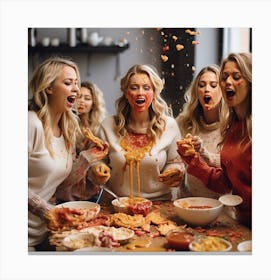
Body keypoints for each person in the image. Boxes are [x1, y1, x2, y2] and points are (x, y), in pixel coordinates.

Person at [28, 57, 108, 251]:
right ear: (48, 87)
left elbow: (62, 186)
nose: (76, 90)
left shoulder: (68, 128)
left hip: (46, 232)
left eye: (77, 83)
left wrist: (87, 160)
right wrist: (44, 209)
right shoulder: (30, 123)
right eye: (68, 83)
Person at [177, 53, 252, 228]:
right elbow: (225, 183)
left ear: (250, 81)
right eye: (224, 77)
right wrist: (194, 161)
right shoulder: (233, 127)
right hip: (240, 222)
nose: (227, 82)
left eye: (236, 77)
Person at [98, 64, 185, 201]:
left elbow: (175, 162)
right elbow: (98, 161)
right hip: (117, 203)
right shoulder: (108, 125)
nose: (140, 93)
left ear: (154, 92)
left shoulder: (169, 126)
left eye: (146, 88)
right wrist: (98, 168)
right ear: (126, 93)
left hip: (159, 203)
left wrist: (173, 172)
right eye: (134, 87)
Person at [55, 81, 110, 203]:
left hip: (91, 192)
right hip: (65, 192)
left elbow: (101, 161)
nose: (82, 101)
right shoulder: (62, 126)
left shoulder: (99, 129)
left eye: (87, 98)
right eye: (79, 96)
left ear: (94, 103)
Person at [176, 64, 226, 198]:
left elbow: (229, 165)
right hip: (187, 202)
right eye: (201, 85)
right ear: (196, 91)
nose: (206, 90)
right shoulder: (183, 123)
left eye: (213, 85)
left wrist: (202, 151)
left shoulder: (231, 126)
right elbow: (176, 162)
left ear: (223, 90)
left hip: (221, 208)